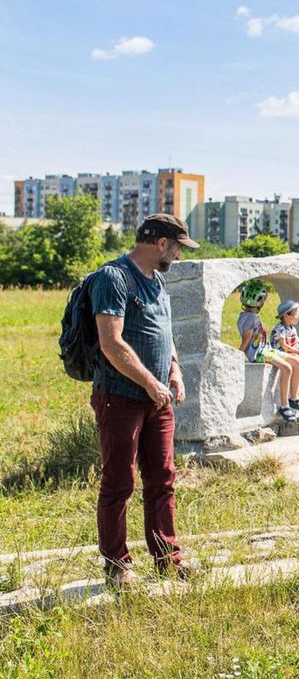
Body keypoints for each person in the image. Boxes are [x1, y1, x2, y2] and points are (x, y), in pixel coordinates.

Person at [90, 213, 199, 587]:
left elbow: (163, 335)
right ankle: (117, 566)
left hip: (158, 399)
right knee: (120, 481)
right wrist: (152, 384)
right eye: (179, 248)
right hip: (119, 398)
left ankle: (167, 558)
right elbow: (111, 342)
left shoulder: (158, 282)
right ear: (162, 244)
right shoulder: (113, 278)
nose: (180, 256)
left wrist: (174, 372)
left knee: (163, 479)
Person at [237, 282, 299, 422]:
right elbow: (246, 341)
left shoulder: (247, 316)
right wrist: (238, 357)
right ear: (260, 301)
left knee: (298, 361)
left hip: (267, 349)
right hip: (259, 353)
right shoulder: (250, 318)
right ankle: (284, 405)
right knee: (287, 368)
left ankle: (293, 398)